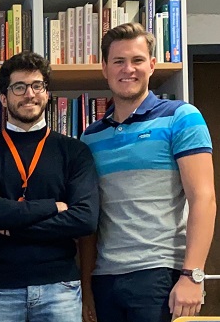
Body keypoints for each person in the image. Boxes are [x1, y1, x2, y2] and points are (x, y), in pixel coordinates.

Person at [80, 22, 216, 322]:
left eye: (137, 60)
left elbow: (203, 198)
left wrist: (193, 275)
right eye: (119, 61)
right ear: (104, 68)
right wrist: (87, 288)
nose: (128, 69)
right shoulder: (90, 137)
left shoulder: (182, 117)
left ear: (152, 65)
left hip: (160, 275)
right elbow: (90, 219)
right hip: (105, 279)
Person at [0, 51, 99, 322]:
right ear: (4, 98)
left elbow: (85, 219)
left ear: (47, 93)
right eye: (19, 87)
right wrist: (53, 206)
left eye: (37, 86)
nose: (29, 94)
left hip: (60, 287)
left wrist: (11, 225)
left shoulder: (75, 151)